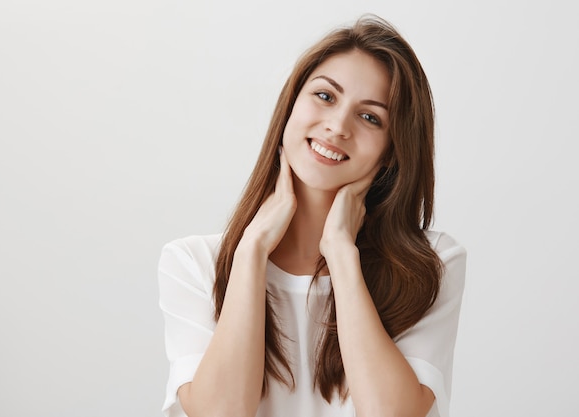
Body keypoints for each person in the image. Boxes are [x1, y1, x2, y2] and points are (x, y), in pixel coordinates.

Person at [158, 14, 466, 417]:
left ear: (393, 149)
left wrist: (340, 252)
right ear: (291, 104)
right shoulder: (192, 264)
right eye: (325, 96)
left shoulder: (431, 264)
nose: (337, 126)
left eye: (370, 117)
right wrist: (251, 250)